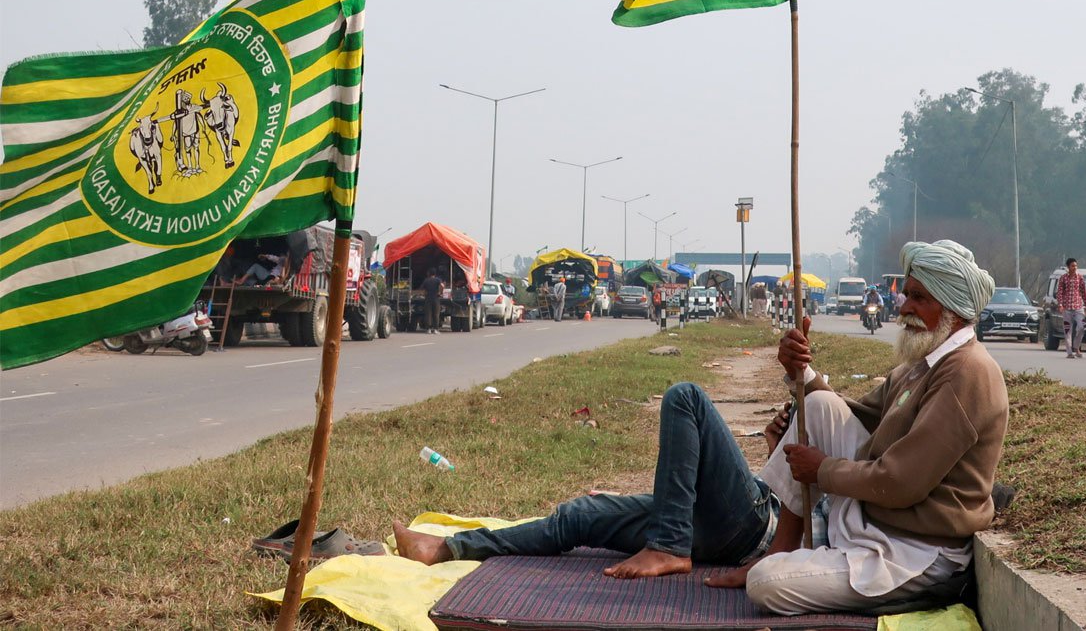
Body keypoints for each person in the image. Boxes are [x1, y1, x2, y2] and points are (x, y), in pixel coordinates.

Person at [392, 239, 1009, 617]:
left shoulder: (967, 375)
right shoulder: (919, 367)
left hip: (779, 524)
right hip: (773, 513)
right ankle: (448, 547)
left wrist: (820, 470)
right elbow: (851, 416)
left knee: (686, 398)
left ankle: (687, 545)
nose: (901, 304)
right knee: (581, 515)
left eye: (915, 297)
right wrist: (803, 371)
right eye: (905, 292)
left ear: (949, 309)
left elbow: (899, 480)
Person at [1054, 257, 1086, 358]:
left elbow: (1084, 292)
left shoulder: (1080, 277)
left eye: (1076, 266)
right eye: (1073, 266)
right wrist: (1060, 304)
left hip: (1078, 307)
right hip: (1067, 308)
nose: (1075, 267)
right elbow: (1059, 292)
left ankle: (1076, 347)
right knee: (1067, 330)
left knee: (1081, 327)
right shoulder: (1063, 278)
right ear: (1068, 267)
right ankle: (1069, 352)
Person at [421, 267, 444, 334]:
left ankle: (428, 329)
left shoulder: (426, 280)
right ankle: (436, 329)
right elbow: (442, 286)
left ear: (429, 273)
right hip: (436, 298)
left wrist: (424, 294)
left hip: (428, 299)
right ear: (435, 273)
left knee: (428, 314)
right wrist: (440, 293)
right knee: (436, 314)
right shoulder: (438, 280)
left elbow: (422, 289)